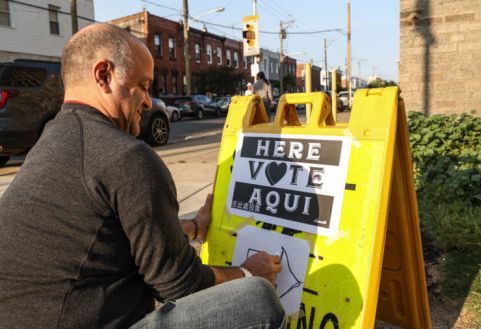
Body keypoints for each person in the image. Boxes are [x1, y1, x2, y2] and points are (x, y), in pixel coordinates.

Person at [0, 23, 284, 329]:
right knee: (257, 299)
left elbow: (116, 234)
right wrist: (247, 273)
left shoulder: (53, 140)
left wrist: (193, 227)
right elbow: (181, 285)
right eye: (144, 85)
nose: (149, 102)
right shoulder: (125, 156)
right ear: (104, 75)